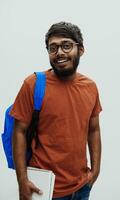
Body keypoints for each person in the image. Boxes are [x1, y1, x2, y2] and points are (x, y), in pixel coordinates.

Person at [10, 21, 102, 200]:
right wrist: (22, 180)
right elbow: (19, 132)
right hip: (44, 189)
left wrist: (96, 171)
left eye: (66, 46)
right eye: (53, 48)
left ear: (80, 50)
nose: (59, 52)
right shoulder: (33, 84)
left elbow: (94, 129)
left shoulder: (90, 87)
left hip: (82, 187)